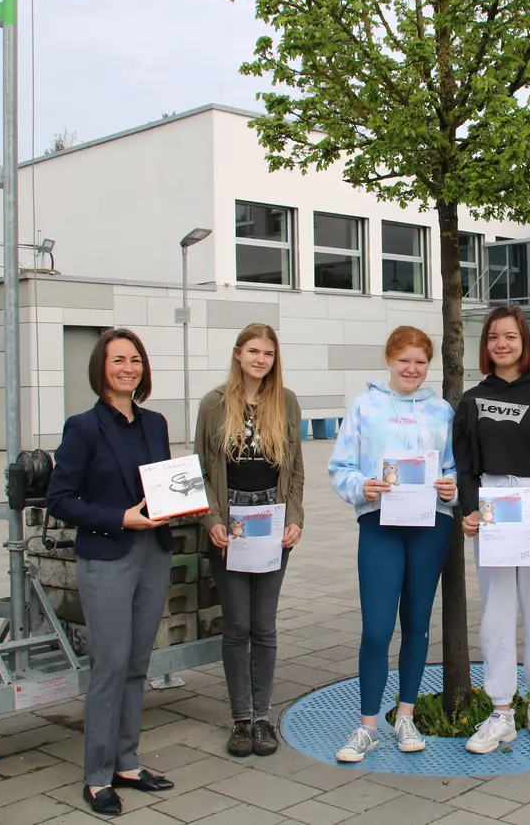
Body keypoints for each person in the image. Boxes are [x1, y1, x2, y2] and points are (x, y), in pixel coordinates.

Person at [45, 328, 177, 817]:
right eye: (119, 359)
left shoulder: (155, 423)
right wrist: (119, 516)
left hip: (153, 552)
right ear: (101, 367)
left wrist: (178, 504)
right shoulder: (83, 427)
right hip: (108, 555)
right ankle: (97, 776)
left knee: (138, 663)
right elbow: (61, 499)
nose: (129, 367)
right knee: (110, 665)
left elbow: (161, 483)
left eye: (136, 359)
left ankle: (126, 761)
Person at [328, 326, 458, 762]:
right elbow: (341, 466)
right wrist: (359, 486)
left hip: (430, 527)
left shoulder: (441, 411)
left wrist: (450, 487)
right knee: (378, 628)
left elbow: (456, 469)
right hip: (381, 524)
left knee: (417, 624)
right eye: (404, 360)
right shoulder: (364, 407)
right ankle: (366, 726)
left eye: (421, 362)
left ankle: (404, 716)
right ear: (388, 360)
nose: (412, 369)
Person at [454, 305, 530, 753]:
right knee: (497, 615)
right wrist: (469, 510)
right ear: (485, 346)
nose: (501, 344)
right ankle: (501, 709)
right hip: (492, 513)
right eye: (493, 338)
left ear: (524, 342)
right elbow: (465, 465)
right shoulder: (472, 398)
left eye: (510, 337)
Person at [195, 324, 306, 758]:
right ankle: (240, 719)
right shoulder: (214, 404)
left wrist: (295, 518)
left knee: (264, 625)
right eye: (254, 351)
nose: (261, 359)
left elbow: (295, 471)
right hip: (231, 521)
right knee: (237, 625)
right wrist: (212, 520)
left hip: (272, 521)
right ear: (238, 354)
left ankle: (263, 717)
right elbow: (203, 471)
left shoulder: (287, 402)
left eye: (269, 354)